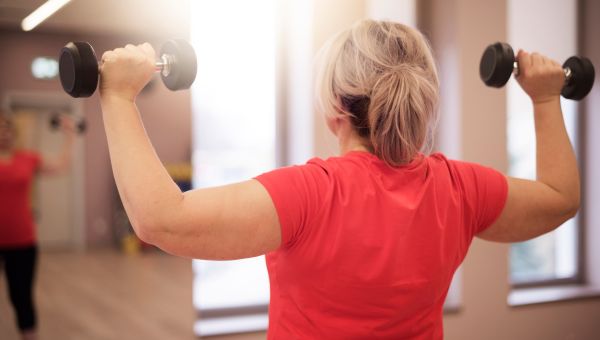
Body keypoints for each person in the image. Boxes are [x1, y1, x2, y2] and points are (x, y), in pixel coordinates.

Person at [98, 20, 580, 339]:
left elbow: (159, 220)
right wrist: (544, 100)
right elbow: (560, 198)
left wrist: (118, 97)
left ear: (334, 108)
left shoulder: (311, 196)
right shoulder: (460, 189)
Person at [0, 113, 76, 340]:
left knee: (21, 295)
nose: (4, 132)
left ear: (13, 133)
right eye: (0, 128)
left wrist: (69, 135)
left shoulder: (27, 158)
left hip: (22, 241)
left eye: (7, 128)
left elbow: (62, 165)